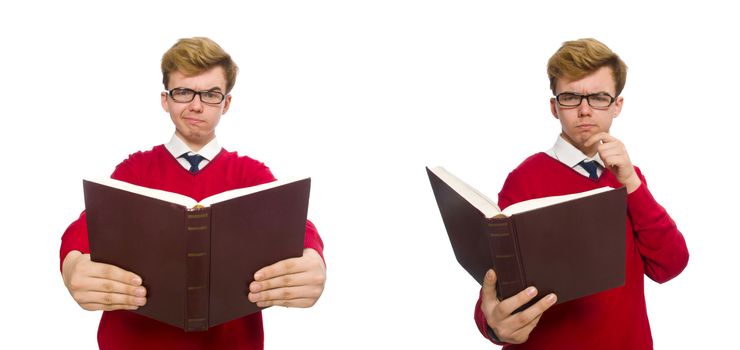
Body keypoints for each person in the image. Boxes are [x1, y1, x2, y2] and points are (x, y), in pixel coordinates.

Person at [59, 37, 326, 349]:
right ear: (166, 100)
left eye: (211, 94)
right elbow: (88, 225)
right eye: (184, 92)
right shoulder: (134, 170)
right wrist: (72, 263)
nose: (196, 105)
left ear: (226, 104)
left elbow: (294, 224)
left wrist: (314, 258)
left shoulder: (251, 174)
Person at [474, 38, 689, 349]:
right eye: (571, 97)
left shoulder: (628, 177)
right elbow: (496, 280)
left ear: (617, 105)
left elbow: (670, 264)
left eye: (599, 97)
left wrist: (630, 181)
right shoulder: (525, 179)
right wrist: (492, 326)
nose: (585, 111)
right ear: (554, 106)